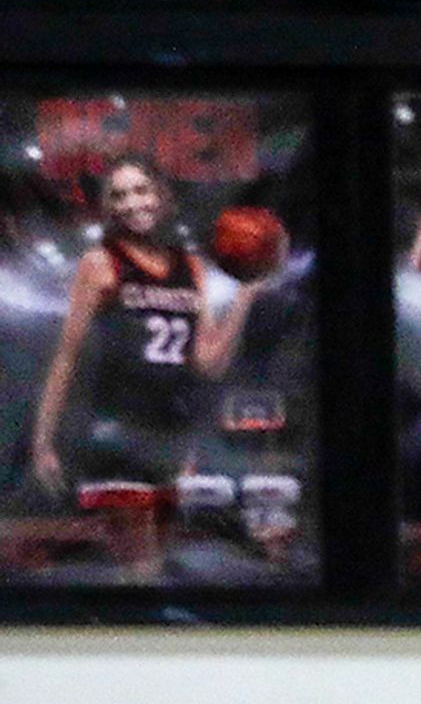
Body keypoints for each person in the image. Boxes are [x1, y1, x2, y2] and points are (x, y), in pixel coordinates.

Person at [26, 156, 257, 496]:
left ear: (160, 194)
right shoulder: (102, 263)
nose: (132, 203)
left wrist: (245, 294)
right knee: (136, 546)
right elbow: (66, 358)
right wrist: (43, 442)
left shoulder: (191, 267)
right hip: (115, 433)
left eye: (141, 190)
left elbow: (209, 364)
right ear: (110, 206)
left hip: (172, 435)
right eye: (119, 196)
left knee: (160, 545)